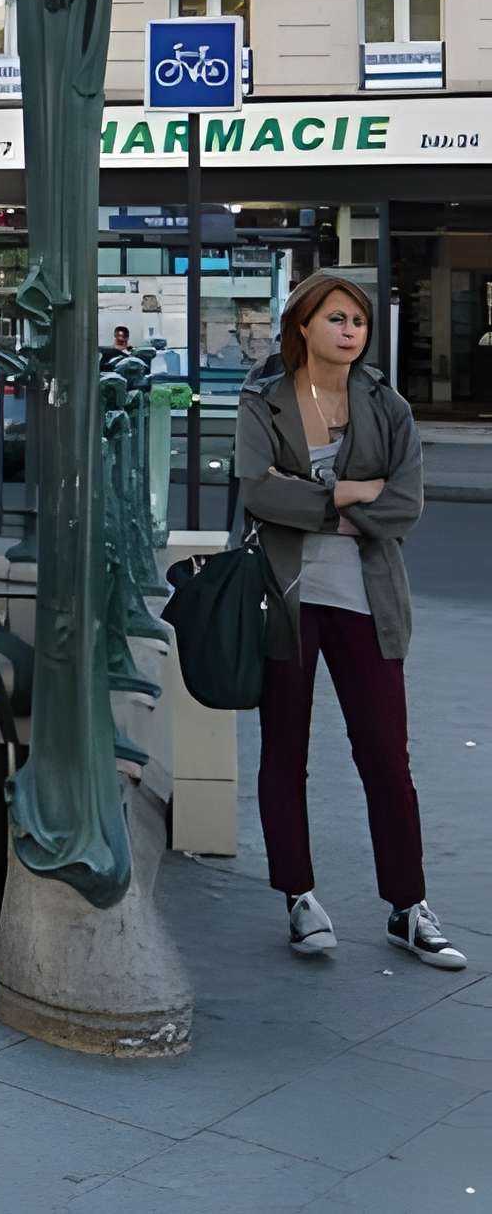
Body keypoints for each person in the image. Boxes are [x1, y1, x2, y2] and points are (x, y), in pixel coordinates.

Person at [237, 269, 464, 970]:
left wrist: (312, 495)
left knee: (386, 759)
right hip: (290, 597)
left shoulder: (385, 403)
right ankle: (299, 897)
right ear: (302, 325)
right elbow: (255, 493)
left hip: (368, 602)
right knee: (285, 755)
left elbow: (405, 505)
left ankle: (408, 905)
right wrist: (345, 494)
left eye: (358, 322)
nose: (350, 332)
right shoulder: (264, 399)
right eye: (336, 319)